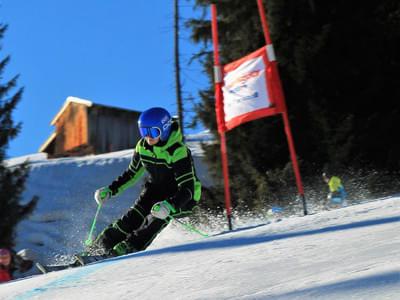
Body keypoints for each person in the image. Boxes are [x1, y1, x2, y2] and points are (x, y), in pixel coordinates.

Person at [86, 107, 201, 258]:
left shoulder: (177, 151)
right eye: (144, 132)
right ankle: (98, 249)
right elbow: (131, 174)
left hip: (183, 197)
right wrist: (110, 190)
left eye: (153, 132)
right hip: (155, 191)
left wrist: (171, 205)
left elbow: (187, 188)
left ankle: (129, 247)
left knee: (156, 217)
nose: (148, 137)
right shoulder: (142, 147)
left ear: (164, 130)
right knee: (131, 219)